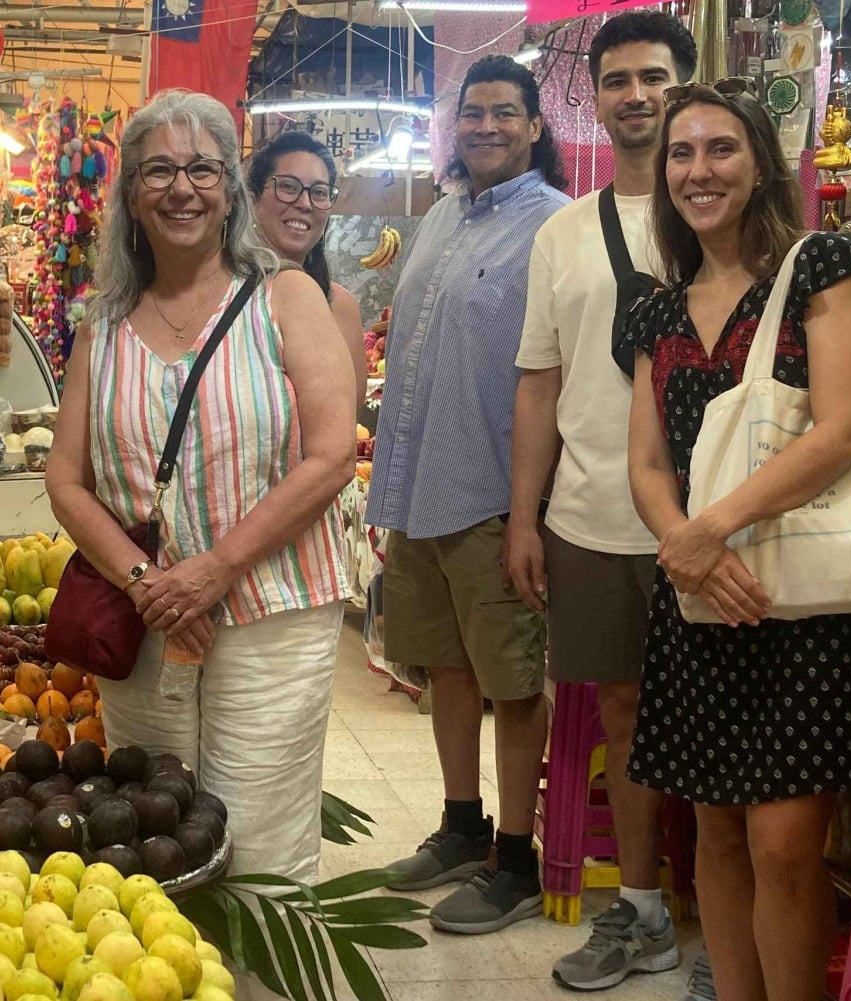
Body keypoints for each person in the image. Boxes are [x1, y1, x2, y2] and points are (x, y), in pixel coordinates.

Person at [624, 79, 851, 1001]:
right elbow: (647, 463)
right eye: (681, 153)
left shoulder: (822, 268)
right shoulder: (656, 310)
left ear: (760, 164)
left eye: (721, 149)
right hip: (703, 598)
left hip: (805, 598)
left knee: (784, 844)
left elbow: (842, 429)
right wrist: (685, 546)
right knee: (716, 831)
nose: (699, 171)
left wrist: (709, 530)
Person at [46, 90, 357, 883]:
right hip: (146, 617)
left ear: (230, 191)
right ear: (131, 196)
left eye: (202, 169)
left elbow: (330, 456)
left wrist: (216, 567)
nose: (181, 188)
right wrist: (145, 580)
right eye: (158, 171)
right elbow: (67, 479)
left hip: (271, 614)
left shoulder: (287, 296)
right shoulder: (102, 323)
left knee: (258, 840)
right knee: (153, 830)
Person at [507, 11, 696, 990]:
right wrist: (524, 515)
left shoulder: (723, 219)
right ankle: (645, 910)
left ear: (685, 85)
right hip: (588, 515)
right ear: (595, 98)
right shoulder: (563, 234)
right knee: (623, 712)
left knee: (722, 720)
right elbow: (539, 381)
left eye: (654, 76)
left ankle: (732, 923)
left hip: (714, 517)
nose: (636, 95)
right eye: (617, 80)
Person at [366, 54, 569, 934]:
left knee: (513, 681)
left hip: (493, 493)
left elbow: (554, 374)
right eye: (472, 113)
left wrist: (529, 513)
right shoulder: (442, 214)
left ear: (534, 126)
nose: (485, 126)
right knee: (444, 667)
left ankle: (516, 859)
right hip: (420, 485)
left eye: (504, 112)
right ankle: (461, 826)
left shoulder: (555, 225)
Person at [248, 130, 367, 402]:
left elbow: (349, 416)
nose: (304, 203)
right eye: (288, 187)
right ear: (253, 199)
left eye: (319, 192)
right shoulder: (221, 297)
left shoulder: (340, 307)